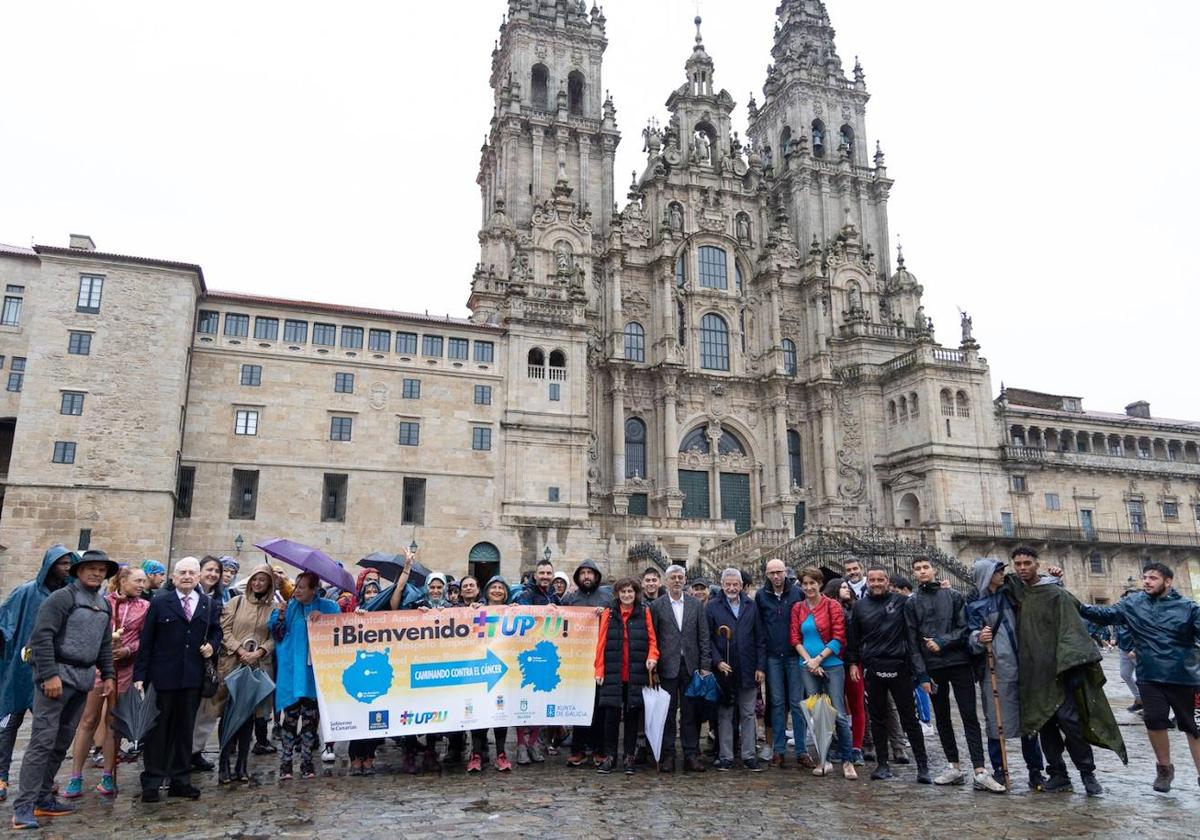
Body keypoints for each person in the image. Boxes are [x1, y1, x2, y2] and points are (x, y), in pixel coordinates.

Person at [9, 550, 117, 830]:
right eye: (91, 568)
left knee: (60, 742)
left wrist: (108, 675)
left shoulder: (104, 605)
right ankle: (23, 806)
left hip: (82, 680)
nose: (96, 573)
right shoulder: (62, 599)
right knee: (42, 742)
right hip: (56, 678)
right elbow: (41, 637)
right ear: (78, 571)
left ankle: (43, 798)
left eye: (101, 569)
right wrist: (49, 675)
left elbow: (104, 645)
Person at [1004, 546, 1124, 797]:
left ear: (1037, 563)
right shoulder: (1016, 591)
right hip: (1033, 673)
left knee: (1072, 724)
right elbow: (990, 581)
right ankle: (1058, 774)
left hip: (1059, 671)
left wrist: (1073, 664)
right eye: (1018, 563)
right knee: (1043, 723)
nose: (1022, 567)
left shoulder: (1055, 594)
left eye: (1027, 562)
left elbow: (1071, 629)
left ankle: (1087, 774)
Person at [1077, 562, 1199, 793]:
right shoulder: (1133, 604)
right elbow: (1104, 615)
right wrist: (1068, 597)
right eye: (1145, 577)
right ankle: (1164, 768)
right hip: (1150, 675)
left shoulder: (1189, 607)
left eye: (1153, 578)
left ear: (1168, 582)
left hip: (1186, 677)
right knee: (1154, 720)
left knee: (1193, 728)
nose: (1147, 582)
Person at [905, 556, 1003, 792]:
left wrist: (941, 642)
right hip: (933, 667)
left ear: (934, 570)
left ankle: (980, 769)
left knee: (969, 714)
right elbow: (912, 641)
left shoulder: (954, 596)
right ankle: (954, 766)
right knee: (942, 717)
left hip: (958, 662)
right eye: (917, 569)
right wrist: (921, 676)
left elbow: (963, 628)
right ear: (914, 573)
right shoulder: (912, 603)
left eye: (925, 567)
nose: (922, 572)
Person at [133, 556, 222, 802]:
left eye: (191, 573)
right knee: (158, 731)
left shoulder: (208, 604)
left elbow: (216, 631)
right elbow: (147, 642)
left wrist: (212, 646)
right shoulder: (161, 602)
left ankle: (180, 780)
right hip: (162, 677)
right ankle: (152, 780)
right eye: (182, 572)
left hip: (191, 677)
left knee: (185, 731)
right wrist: (140, 675)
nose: (187, 577)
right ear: (173, 577)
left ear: (198, 577)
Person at [63, 566, 148, 798]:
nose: (142, 585)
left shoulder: (144, 607)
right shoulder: (101, 602)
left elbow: (145, 638)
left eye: (144, 581)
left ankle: (109, 775)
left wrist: (129, 650)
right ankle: (75, 777)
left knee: (114, 723)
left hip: (124, 670)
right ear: (122, 580)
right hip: (98, 669)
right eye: (138, 581)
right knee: (88, 720)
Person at [0, 545, 74, 804]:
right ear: (50, 564)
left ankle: (41, 781)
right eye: (62, 563)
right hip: (19, 669)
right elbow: (4, 623)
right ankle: (1, 775)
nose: (66, 568)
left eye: (69, 563)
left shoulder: (69, 596)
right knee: (9, 724)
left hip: (52, 671)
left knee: (47, 730)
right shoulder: (26, 592)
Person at [966, 558, 1047, 790]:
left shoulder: (1012, 594)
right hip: (994, 670)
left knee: (1028, 722)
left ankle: (1035, 770)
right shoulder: (974, 605)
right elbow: (970, 638)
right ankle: (1000, 770)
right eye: (997, 571)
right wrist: (978, 638)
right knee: (996, 721)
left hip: (1021, 665)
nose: (1002, 574)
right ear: (986, 575)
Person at [845, 566, 931, 784]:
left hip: (900, 666)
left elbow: (916, 626)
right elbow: (854, 638)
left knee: (909, 718)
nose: (875, 584)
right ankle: (882, 764)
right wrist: (854, 662)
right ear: (868, 582)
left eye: (880, 580)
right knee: (877, 718)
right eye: (872, 580)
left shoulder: (902, 602)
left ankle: (922, 766)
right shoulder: (860, 607)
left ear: (887, 581)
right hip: (873, 667)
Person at [270, 572, 338, 780]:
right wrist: (280, 616)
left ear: (313, 590)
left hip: (314, 674)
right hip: (292, 672)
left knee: (310, 721)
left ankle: (307, 760)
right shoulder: (288, 608)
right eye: (296, 586)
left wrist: (324, 620)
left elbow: (340, 629)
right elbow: (277, 634)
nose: (297, 590)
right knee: (289, 720)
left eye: (302, 587)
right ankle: (286, 762)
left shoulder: (328, 607)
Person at [790, 568, 856, 780]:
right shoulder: (798, 608)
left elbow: (839, 637)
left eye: (812, 583)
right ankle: (824, 760)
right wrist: (809, 661)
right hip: (807, 665)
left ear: (820, 584)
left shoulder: (832, 605)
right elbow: (795, 638)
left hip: (832, 664)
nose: (809, 587)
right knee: (817, 713)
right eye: (805, 584)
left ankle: (847, 760)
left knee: (837, 713)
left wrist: (819, 659)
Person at [216, 564, 276, 784]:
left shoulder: (273, 608)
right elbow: (224, 630)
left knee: (249, 716)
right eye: (255, 579)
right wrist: (240, 650)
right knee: (230, 714)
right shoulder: (236, 602)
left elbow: (274, 637)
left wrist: (260, 651)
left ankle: (242, 764)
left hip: (257, 666)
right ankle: (224, 763)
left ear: (269, 583)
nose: (258, 584)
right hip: (234, 664)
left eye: (263, 580)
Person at [649, 564, 711, 772]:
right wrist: (654, 667)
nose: (677, 580)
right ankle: (668, 755)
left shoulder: (695, 605)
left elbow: (703, 636)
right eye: (673, 577)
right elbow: (654, 638)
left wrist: (705, 665)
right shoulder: (657, 606)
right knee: (667, 713)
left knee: (690, 712)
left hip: (691, 666)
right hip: (667, 666)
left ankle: (691, 753)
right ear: (666, 581)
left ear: (685, 580)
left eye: (680, 577)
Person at [595, 578, 659, 774]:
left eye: (630, 592)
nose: (627, 595)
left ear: (635, 593)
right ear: (617, 594)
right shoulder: (609, 612)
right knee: (611, 716)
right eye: (623, 592)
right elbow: (601, 642)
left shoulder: (644, 611)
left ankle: (629, 756)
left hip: (635, 671)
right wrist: (599, 669)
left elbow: (652, 640)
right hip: (614, 670)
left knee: (632, 715)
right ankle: (610, 756)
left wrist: (652, 656)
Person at [707, 568, 765, 771]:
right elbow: (708, 639)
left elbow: (760, 638)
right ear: (722, 585)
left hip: (748, 667)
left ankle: (749, 755)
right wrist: (717, 661)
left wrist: (760, 666)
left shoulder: (751, 605)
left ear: (741, 586)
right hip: (724, 669)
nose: (732, 588)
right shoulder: (713, 606)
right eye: (728, 584)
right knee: (725, 713)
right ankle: (726, 756)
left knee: (748, 713)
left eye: (736, 585)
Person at [755, 558, 810, 769]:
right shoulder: (761, 596)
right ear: (767, 575)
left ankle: (801, 750)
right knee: (776, 703)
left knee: (797, 703)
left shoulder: (797, 593)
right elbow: (759, 628)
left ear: (785, 572)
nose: (776, 577)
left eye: (779, 572)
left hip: (794, 654)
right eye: (772, 573)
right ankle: (778, 749)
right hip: (772, 656)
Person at [563, 560, 611, 767]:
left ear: (596, 575)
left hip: (601, 658)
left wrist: (606, 614)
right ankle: (578, 748)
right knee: (579, 705)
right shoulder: (571, 598)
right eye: (583, 573)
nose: (586, 577)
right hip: (577, 659)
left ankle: (599, 749)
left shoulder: (607, 597)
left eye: (590, 572)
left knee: (600, 707)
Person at [468, 577, 516, 773]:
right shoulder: (477, 610)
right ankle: (476, 754)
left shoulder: (513, 611)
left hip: (503, 669)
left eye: (501, 588)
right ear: (486, 591)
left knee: (500, 713)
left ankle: (501, 754)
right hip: (480, 667)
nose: (497, 590)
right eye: (493, 587)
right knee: (479, 713)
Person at [190, 555, 230, 772]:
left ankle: (196, 751)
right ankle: (180, 752)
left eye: (217, 571)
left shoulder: (221, 598)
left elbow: (219, 630)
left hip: (210, 661)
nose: (213, 574)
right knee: (187, 709)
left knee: (206, 710)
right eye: (209, 570)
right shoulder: (186, 595)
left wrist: (213, 645)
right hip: (189, 659)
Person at [824, 577, 866, 765]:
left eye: (847, 587)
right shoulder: (825, 609)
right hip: (832, 662)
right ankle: (838, 743)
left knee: (856, 704)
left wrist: (855, 662)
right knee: (834, 707)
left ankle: (856, 747)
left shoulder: (854, 609)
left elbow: (856, 640)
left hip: (851, 663)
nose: (846, 589)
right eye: (842, 587)